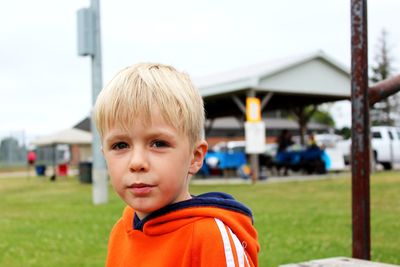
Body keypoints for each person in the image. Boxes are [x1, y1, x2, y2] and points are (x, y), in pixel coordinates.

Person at [93, 63, 259, 267]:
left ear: (195, 157)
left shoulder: (210, 237)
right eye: (120, 145)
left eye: (158, 143)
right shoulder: (121, 230)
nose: (137, 162)